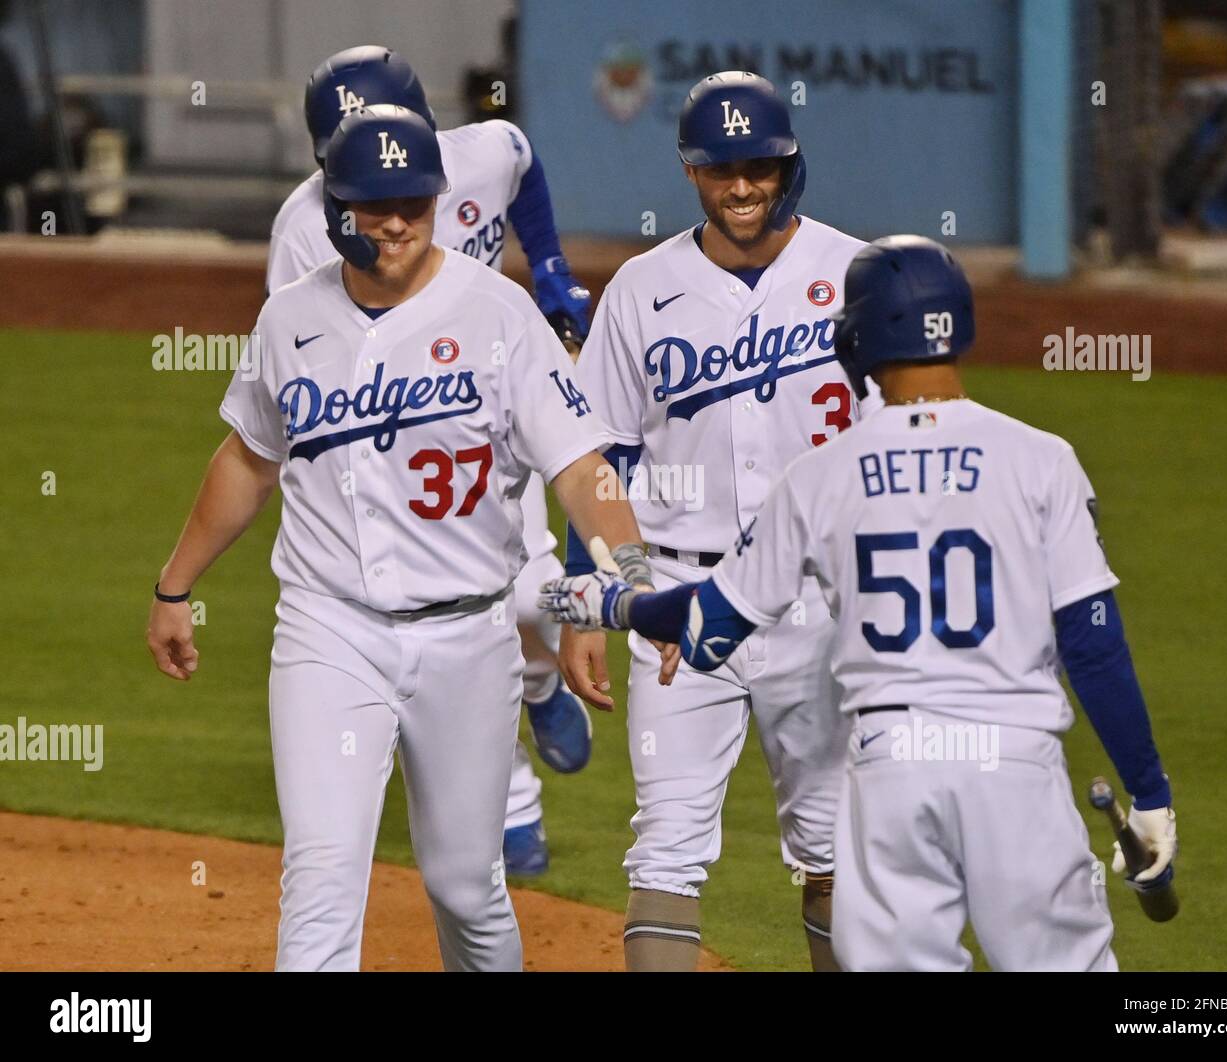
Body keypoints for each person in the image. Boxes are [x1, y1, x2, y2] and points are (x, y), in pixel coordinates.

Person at [541, 235, 1178, 971]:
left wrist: (611, 605)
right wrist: (1150, 792)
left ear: (855, 337)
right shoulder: (1042, 460)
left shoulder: (818, 477)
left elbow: (709, 629)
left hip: (891, 777)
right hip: (1016, 767)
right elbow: (1092, 644)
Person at [146, 105, 647, 971]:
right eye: (374, 204)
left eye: (415, 202)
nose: (396, 222)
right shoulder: (290, 320)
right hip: (328, 632)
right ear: (332, 206)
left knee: (465, 888)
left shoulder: (500, 315)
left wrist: (622, 580)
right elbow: (248, 459)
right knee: (322, 874)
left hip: (469, 638)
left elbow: (582, 468)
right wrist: (174, 586)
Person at [561, 71, 881, 971]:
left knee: (835, 844)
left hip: (819, 603)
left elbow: (898, 448)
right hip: (673, 595)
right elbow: (601, 459)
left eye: (761, 167)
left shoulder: (856, 275)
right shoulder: (638, 289)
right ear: (688, 172)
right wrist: (609, 593)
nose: (743, 188)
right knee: (665, 841)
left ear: (790, 163)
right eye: (720, 170)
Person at [268, 45, 594, 876]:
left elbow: (524, 162)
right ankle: (515, 806)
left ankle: (541, 682)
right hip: (400, 431)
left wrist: (549, 267)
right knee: (448, 615)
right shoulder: (304, 224)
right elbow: (298, 353)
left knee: (527, 597)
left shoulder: (478, 155)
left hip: (490, 398)